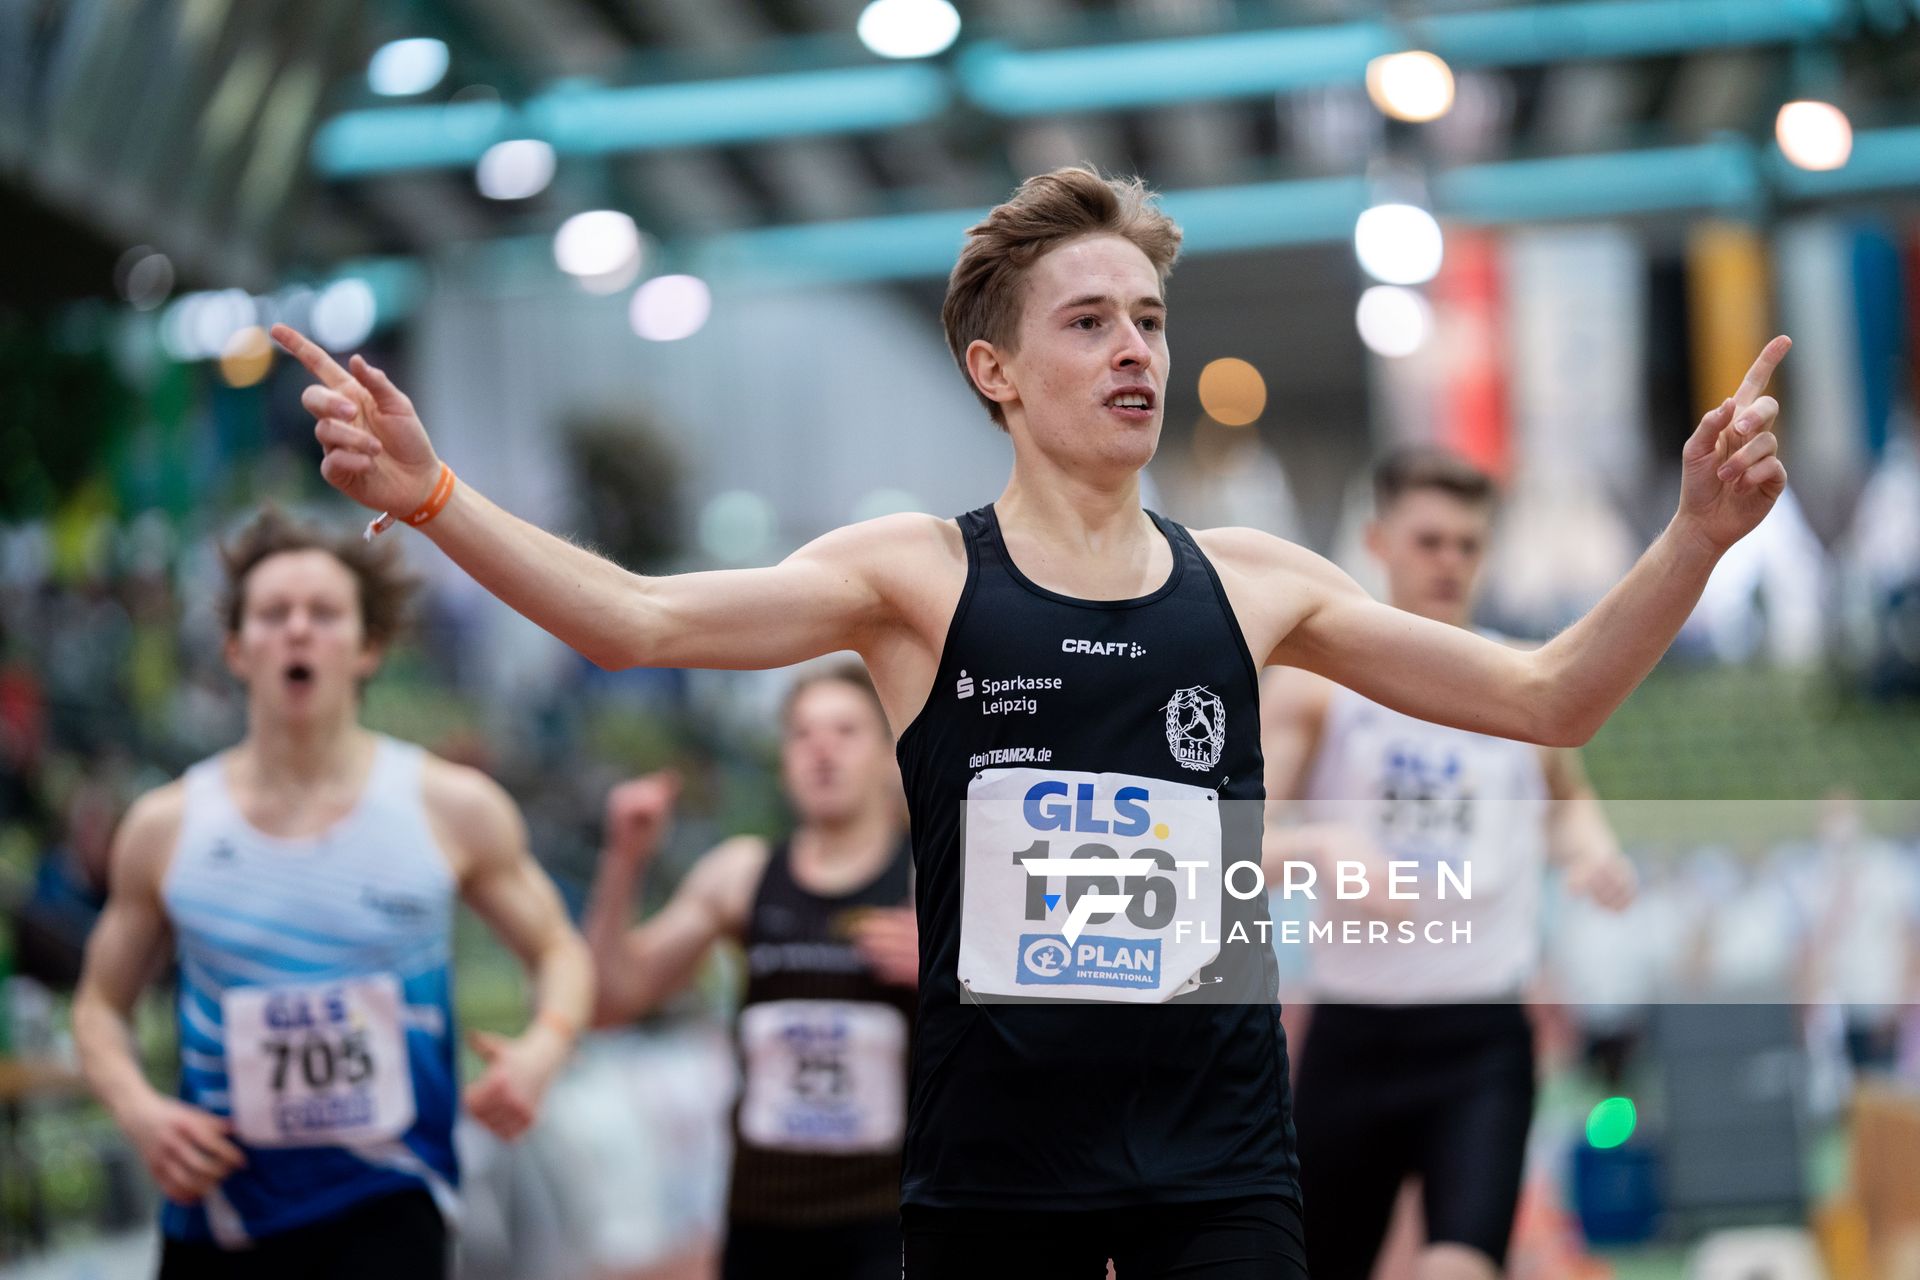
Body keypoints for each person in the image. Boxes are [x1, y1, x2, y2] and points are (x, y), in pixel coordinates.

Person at [274, 165, 1788, 1278]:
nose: (1136, 348)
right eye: (1089, 323)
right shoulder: (915, 581)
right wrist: (436, 497)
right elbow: (639, 620)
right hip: (1000, 1177)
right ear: (996, 371)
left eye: (1148, 319)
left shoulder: (1260, 588)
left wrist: (1696, 538)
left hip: (1224, 1166)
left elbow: (1549, 695)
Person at [72, 508, 594, 1278]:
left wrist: (543, 1047)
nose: (297, 631)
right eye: (273, 614)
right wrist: (139, 1113)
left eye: (323, 613)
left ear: (369, 645)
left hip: (391, 1207)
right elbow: (97, 1006)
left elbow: (558, 948)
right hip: (219, 1214)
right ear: (235, 647)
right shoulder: (166, 825)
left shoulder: (450, 807)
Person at [1259, 448, 1637, 1280]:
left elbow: (1567, 801)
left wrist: (1592, 853)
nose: (1450, 563)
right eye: (1429, 541)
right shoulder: (1321, 690)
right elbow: (1225, 848)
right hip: (1355, 1033)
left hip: (1481, 1039)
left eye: (1468, 544)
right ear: (1379, 541)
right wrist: (1323, 847)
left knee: (1458, 1268)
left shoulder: (1520, 682)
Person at [583, 662, 915, 1279]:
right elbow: (609, 1004)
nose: (822, 750)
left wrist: (947, 972)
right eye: (802, 734)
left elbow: (1026, 1039)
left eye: (846, 731)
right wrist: (625, 860)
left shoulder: (930, 885)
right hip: (763, 1221)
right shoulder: (741, 876)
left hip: (890, 1219)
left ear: (890, 755)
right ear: (783, 759)